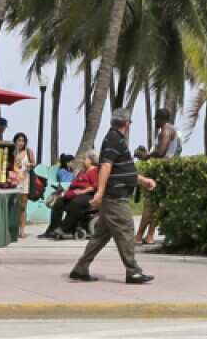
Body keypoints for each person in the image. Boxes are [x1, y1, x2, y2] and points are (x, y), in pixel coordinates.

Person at [69, 108, 156, 284]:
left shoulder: (114, 139)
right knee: (126, 229)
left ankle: (80, 268)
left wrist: (143, 180)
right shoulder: (114, 140)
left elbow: (122, 170)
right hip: (115, 197)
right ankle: (133, 272)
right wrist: (100, 192)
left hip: (113, 195)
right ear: (127, 123)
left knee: (101, 236)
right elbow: (106, 167)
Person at [134, 108, 180, 246]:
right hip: (167, 170)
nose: (154, 121)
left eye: (156, 119)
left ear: (160, 119)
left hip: (160, 170)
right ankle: (149, 236)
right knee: (158, 205)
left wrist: (146, 156)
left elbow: (160, 152)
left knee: (149, 205)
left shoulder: (165, 130)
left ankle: (138, 236)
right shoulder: (172, 129)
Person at [43, 152, 100, 240]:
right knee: (59, 202)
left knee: (76, 203)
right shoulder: (82, 171)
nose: (83, 161)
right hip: (75, 193)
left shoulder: (94, 171)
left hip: (88, 195)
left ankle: (64, 228)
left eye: (85, 159)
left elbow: (94, 186)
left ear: (91, 160)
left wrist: (82, 191)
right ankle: (53, 228)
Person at [13, 132, 36, 237]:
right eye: (19, 140)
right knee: (14, 206)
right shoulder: (12, 152)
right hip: (14, 180)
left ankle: (22, 230)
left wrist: (29, 165)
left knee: (23, 206)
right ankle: (14, 228)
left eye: (23, 141)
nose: (21, 143)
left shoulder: (28, 151)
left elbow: (34, 163)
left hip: (25, 179)